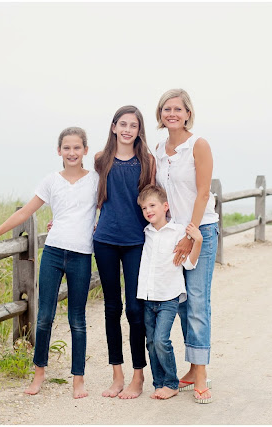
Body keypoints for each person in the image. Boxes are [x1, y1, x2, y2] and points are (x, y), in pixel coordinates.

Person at [0, 127, 98, 399]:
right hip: (53, 252)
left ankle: (78, 380)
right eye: (67, 148)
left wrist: (98, 225)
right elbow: (26, 212)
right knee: (44, 317)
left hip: (81, 255)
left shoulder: (96, 180)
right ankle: (39, 374)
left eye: (77, 147)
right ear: (59, 151)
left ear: (85, 150)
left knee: (77, 319)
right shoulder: (51, 181)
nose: (72, 152)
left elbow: (106, 209)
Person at [154, 89, 219, 404]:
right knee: (179, 301)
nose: (172, 113)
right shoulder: (159, 149)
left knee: (196, 301)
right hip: (172, 233)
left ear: (188, 113)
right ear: (161, 114)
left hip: (199, 230)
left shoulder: (199, 145)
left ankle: (201, 374)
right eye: (167, 109)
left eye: (178, 109)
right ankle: (192, 368)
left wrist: (190, 233)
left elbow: (203, 193)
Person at [93, 105, 156, 399]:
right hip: (105, 239)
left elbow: (153, 201)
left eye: (134, 125)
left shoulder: (147, 161)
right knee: (111, 308)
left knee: (134, 308)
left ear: (138, 130)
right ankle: (117, 375)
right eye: (123, 124)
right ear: (114, 127)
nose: (128, 130)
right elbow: (89, 195)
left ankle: (138, 376)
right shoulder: (100, 160)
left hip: (136, 241)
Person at [135, 185, 203, 400]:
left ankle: (172, 383)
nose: (148, 210)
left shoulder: (178, 232)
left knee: (161, 340)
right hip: (147, 296)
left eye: (152, 205)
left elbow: (190, 264)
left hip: (169, 297)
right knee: (151, 342)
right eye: (144, 207)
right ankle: (159, 383)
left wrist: (197, 240)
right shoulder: (145, 232)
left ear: (165, 206)